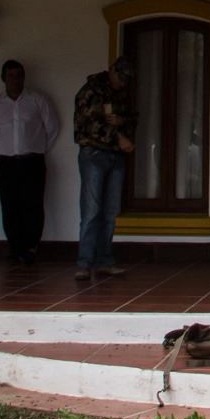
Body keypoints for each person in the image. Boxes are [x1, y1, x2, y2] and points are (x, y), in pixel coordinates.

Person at [0, 58, 61, 266]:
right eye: (10, 76)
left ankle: (31, 247)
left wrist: (38, 149)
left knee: (33, 204)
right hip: (6, 163)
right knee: (9, 205)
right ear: (3, 78)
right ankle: (15, 247)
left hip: (32, 161)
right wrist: (5, 149)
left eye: (19, 75)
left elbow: (52, 127)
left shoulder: (37, 100)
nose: (15, 80)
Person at [73, 55, 137, 283]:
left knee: (110, 212)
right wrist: (118, 137)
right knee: (91, 211)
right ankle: (84, 263)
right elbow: (88, 124)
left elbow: (132, 116)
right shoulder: (91, 90)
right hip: (94, 154)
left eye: (126, 80)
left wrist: (122, 123)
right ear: (112, 70)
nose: (122, 83)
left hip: (116, 156)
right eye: (121, 77)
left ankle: (104, 261)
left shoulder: (122, 93)